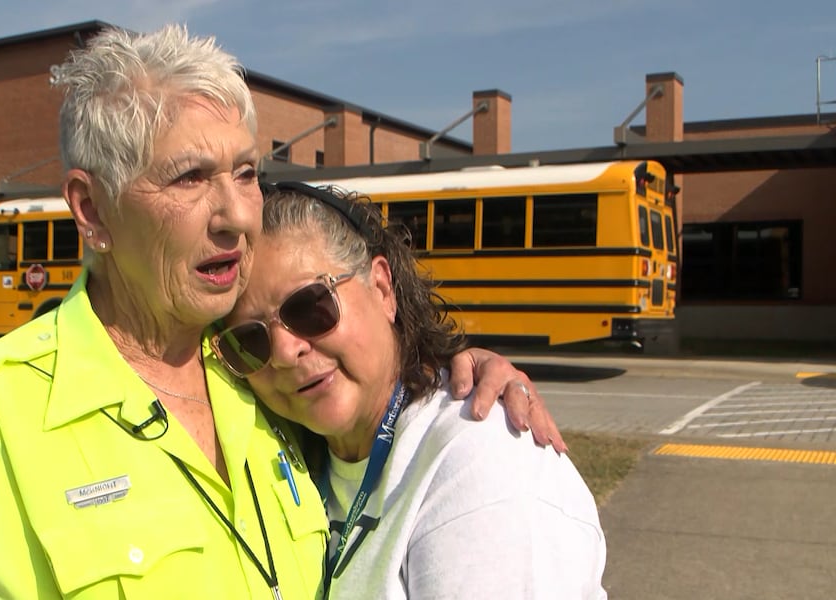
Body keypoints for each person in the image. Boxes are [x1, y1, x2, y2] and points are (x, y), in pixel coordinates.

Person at [0, 24, 561, 598]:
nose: (236, 218)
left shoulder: (256, 367)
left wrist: (446, 369)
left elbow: (377, 424)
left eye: (246, 173)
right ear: (92, 209)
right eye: (189, 178)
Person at [214, 182, 607, 599]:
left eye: (309, 307)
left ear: (382, 289)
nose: (285, 351)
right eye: (250, 341)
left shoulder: (478, 456)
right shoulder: (292, 462)